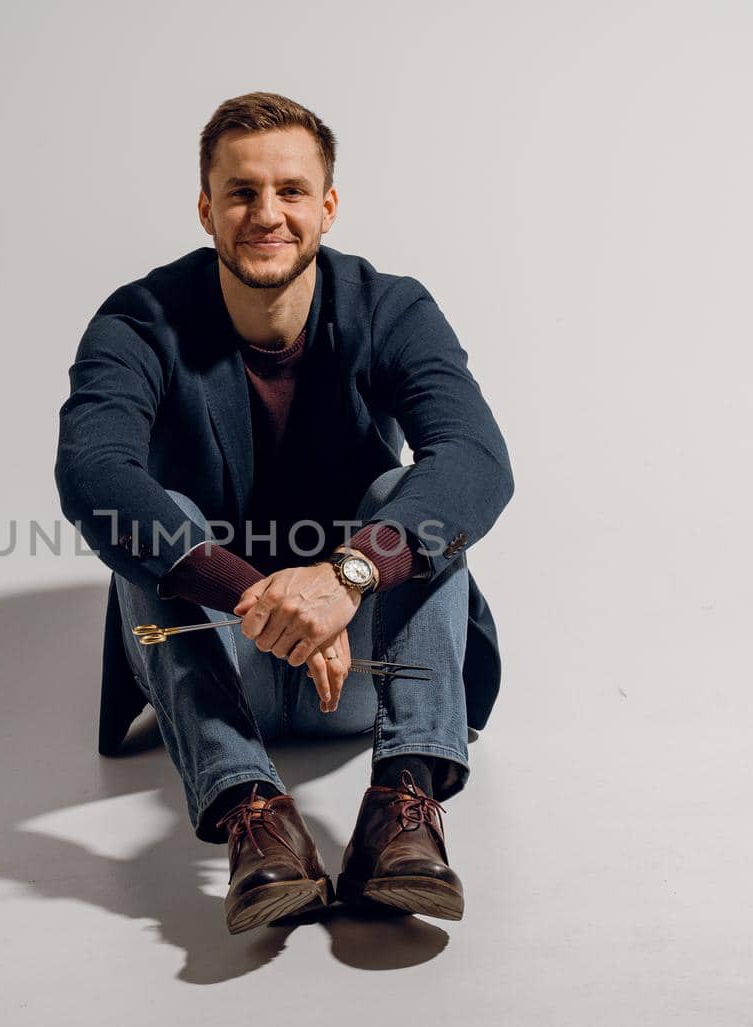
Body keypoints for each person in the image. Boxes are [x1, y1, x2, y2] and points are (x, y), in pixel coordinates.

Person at [54, 91, 514, 935]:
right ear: (206, 207)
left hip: (366, 671)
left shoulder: (391, 307)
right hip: (217, 657)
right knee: (157, 522)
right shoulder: (137, 320)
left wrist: (348, 574)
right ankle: (254, 813)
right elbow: (91, 474)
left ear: (328, 205)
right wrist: (250, 591)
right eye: (241, 193)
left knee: (410, 508)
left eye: (292, 191)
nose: (268, 214)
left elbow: (477, 462)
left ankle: (403, 809)